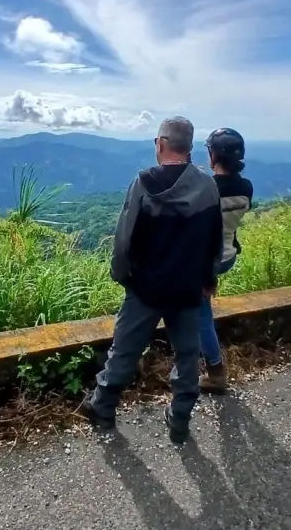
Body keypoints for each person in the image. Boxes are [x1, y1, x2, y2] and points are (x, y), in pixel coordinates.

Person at [83, 117, 223, 444]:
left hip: (145, 288)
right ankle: (179, 420)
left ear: (160, 144)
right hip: (188, 288)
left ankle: (103, 407)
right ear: (189, 147)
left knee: (125, 351)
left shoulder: (143, 184)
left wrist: (122, 275)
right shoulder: (207, 186)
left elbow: (124, 240)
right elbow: (214, 239)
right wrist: (209, 278)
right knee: (188, 356)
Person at [198, 128, 253, 394]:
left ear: (214, 155)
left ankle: (216, 372)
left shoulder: (207, 189)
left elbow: (205, 235)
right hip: (229, 255)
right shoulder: (246, 187)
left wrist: (207, 277)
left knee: (201, 314)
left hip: (209, 261)